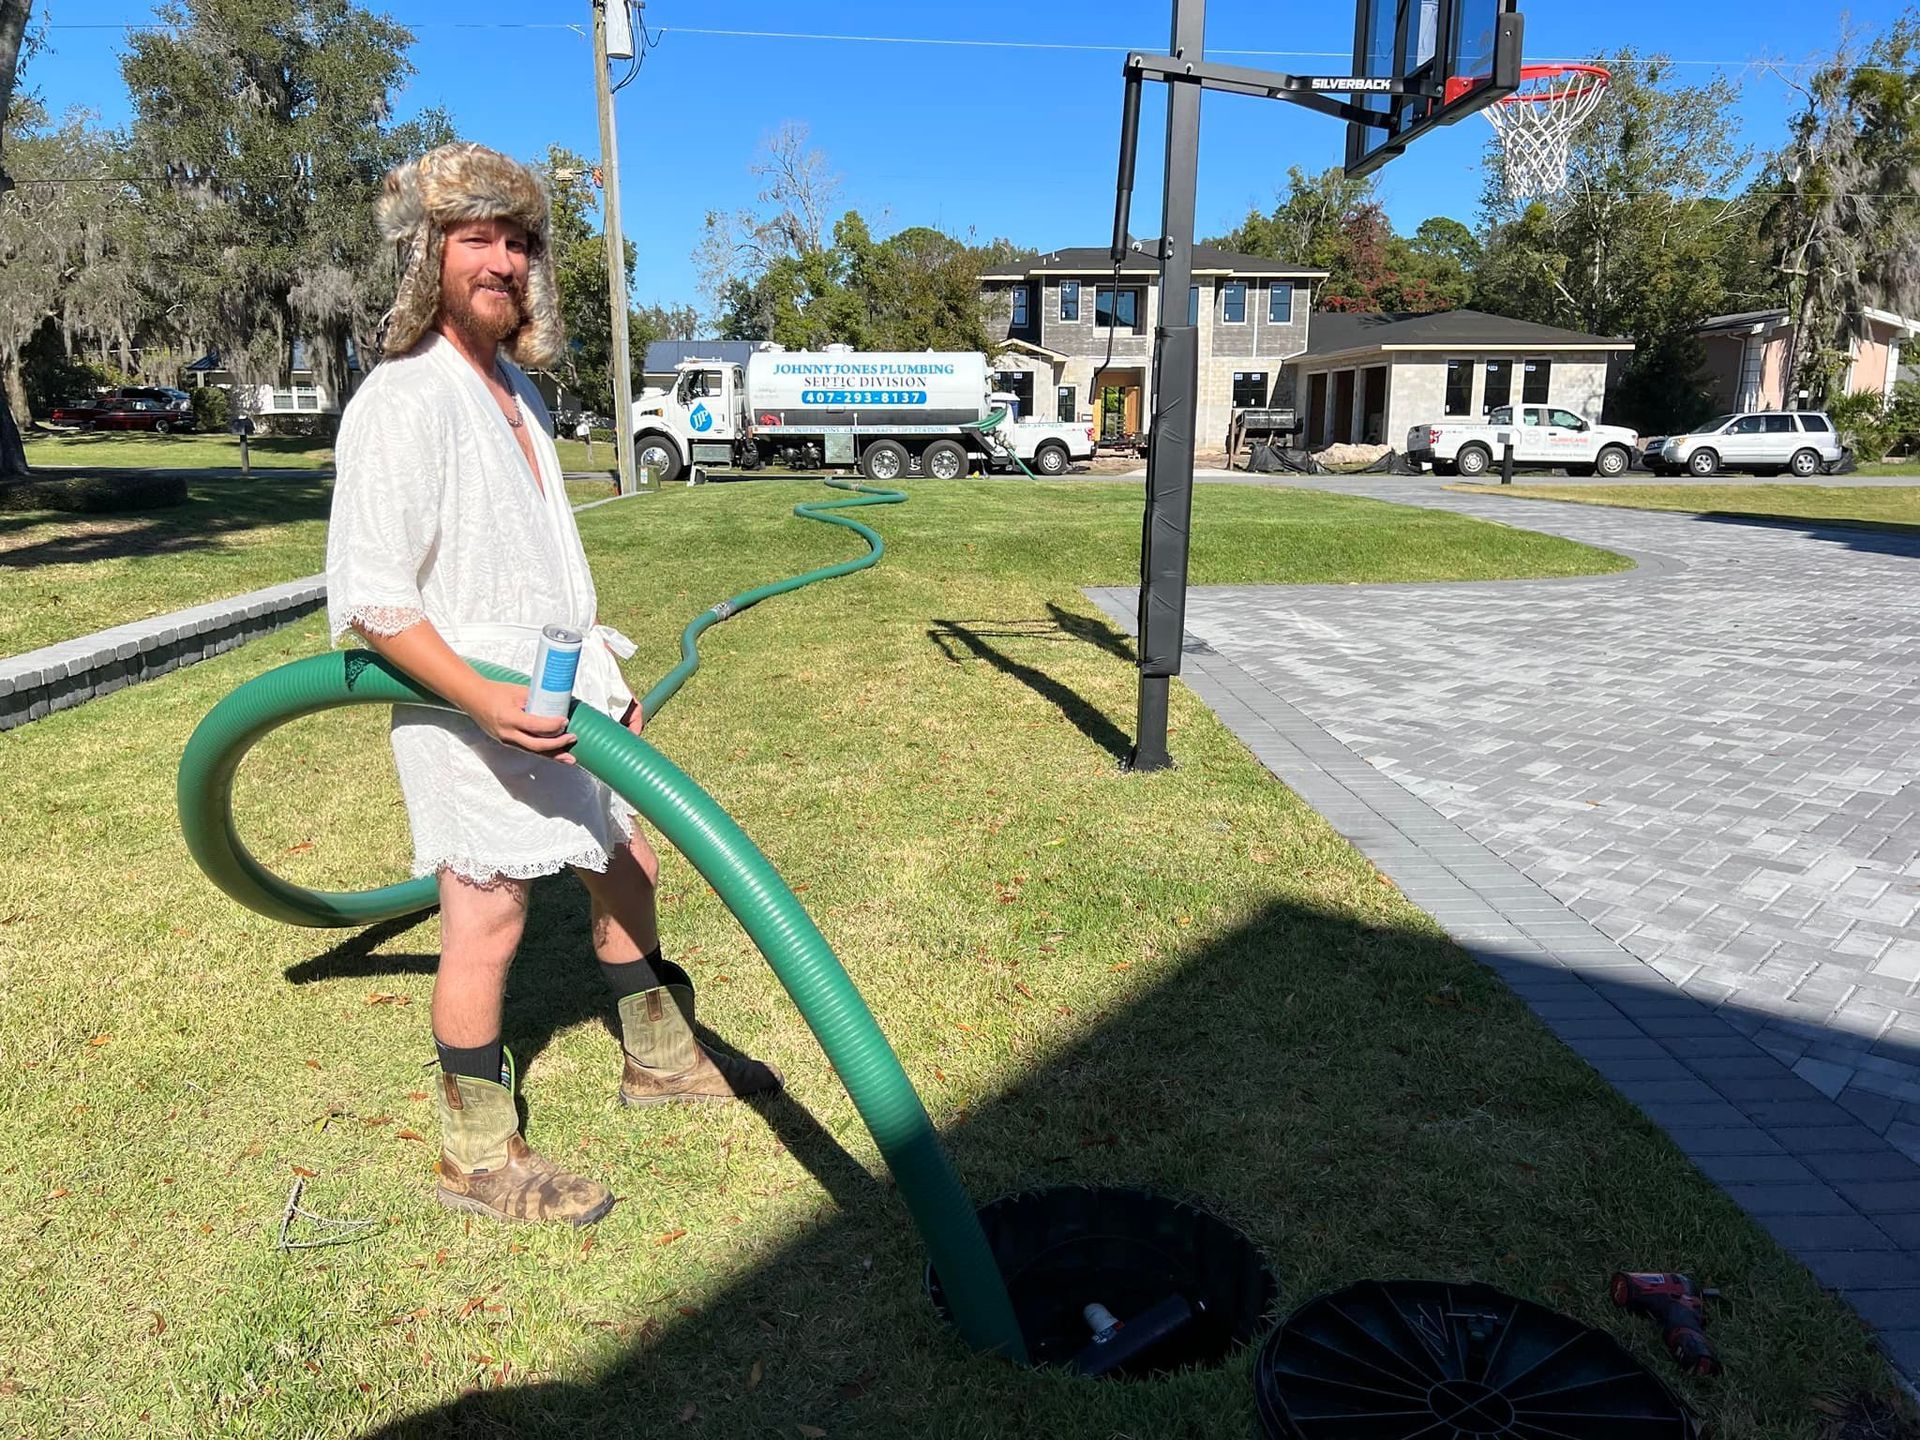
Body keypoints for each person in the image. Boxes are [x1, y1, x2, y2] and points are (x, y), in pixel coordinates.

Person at [325, 142, 780, 1228]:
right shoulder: (403, 399)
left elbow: (542, 574)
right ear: (427, 256)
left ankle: (658, 1058)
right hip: (468, 704)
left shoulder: (514, 388)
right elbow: (374, 598)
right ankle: (476, 1155)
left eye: (520, 242)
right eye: (478, 239)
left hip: (560, 698)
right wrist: (484, 701)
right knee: (487, 911)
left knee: (629, 860)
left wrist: (602, 679)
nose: (505, 262)